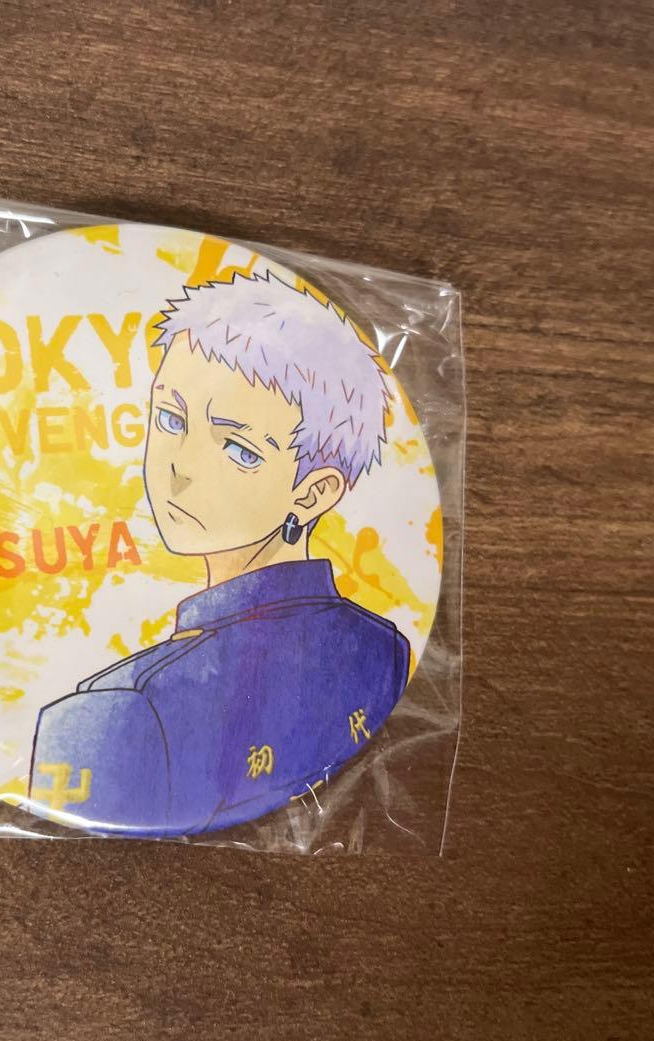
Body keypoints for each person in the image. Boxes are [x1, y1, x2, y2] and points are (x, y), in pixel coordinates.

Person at [26, 270, 410, 836]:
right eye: (170, 419)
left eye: (238, 449)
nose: (179, 468)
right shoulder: (386, 645)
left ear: (313, 492)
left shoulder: (122, 707)